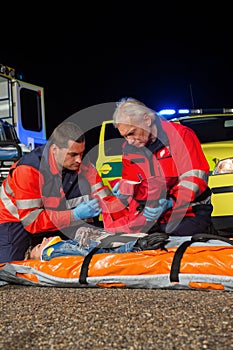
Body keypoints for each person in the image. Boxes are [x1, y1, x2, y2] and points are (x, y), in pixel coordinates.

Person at [0, 121, 114, 263]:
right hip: (16, 222)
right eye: (72, 154)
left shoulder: (80, 162)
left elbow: (103, 196)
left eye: (81, 153)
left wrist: (119, 200)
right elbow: (32, 222)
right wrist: (75, 214)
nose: (79, 159)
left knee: (88, 250)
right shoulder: (29, 170)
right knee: (10, 267)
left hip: (54, 217)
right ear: (54, 149)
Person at [108, 97, 213, 236]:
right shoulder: (128, 149)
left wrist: (169, 202)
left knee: (179, 247)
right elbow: (134, 187)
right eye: (125, 136)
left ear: (147, 120)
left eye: (132, 133)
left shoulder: (180, 136)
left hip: (188, 214)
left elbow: (194, 180)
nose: (130, 141)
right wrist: (125, 191)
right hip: (152, 218)